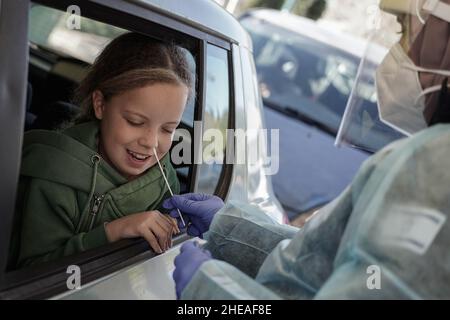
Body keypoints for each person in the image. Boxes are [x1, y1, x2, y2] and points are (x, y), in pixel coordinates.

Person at [163, 0, 450, 299]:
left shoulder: (435, 164)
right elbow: (322, 266)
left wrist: (211, 294)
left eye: (404, 31)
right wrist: (228, 228)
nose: (395, 54)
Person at [9, 32, 193, 269]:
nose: (151, 142)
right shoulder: (55, 172)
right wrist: (115, 231)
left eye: (168, 129)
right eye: (136, 122)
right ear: (100, 105)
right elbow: (32, 272)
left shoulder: (164, 179)